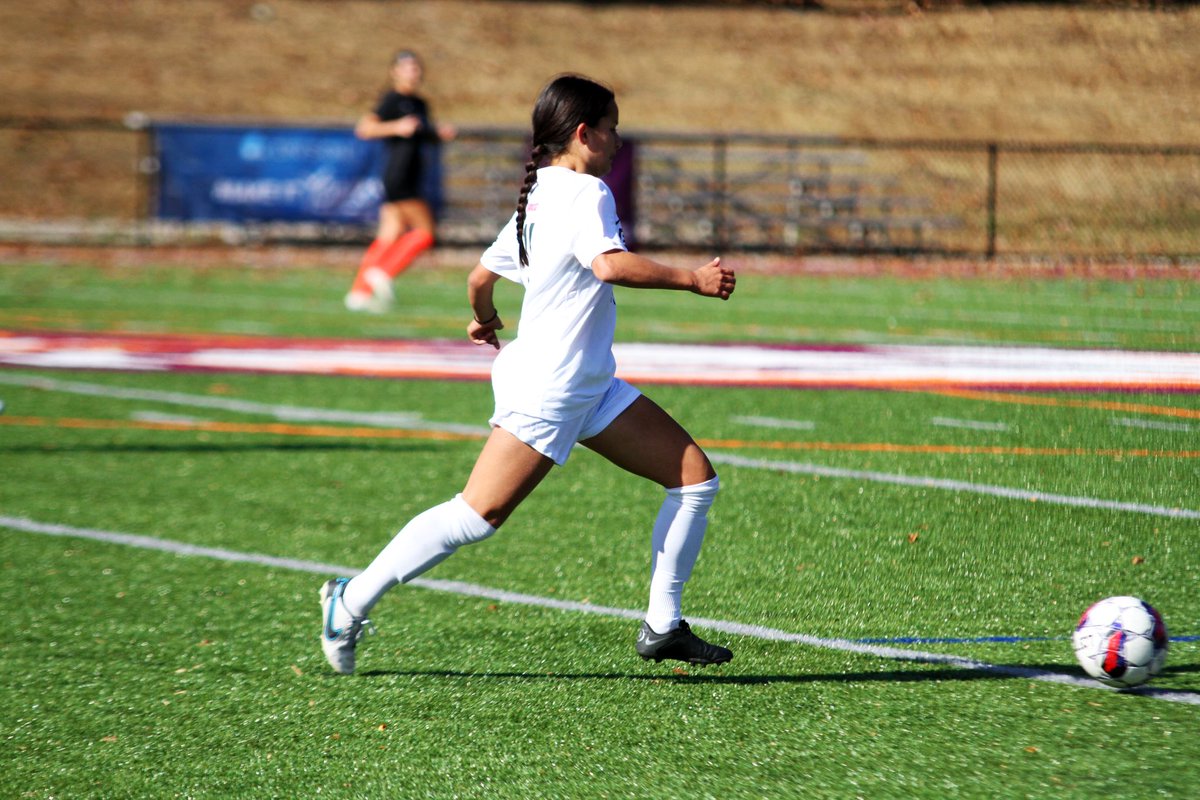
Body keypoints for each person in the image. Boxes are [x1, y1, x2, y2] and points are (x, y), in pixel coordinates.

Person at [320, 74, 737, 674]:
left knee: (694, 480)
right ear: (584, 133)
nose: (619, 141)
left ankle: (663, 626)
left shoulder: (539, 191)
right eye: (612, 129)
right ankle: (349, 600)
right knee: (477, 515)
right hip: (552, 384)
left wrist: (484, 319)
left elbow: (479, 278)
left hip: (585, 383)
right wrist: (693, 279)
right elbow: (609, 266)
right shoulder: (587, 194)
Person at [345, 49, 457, 312]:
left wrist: (438, 133)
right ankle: (383, 272)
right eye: (407, 68)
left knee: (389, 236)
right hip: (399, 175)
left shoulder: (420, 104)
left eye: (416, 68)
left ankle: (359, 293)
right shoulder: (392, 100)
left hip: (412, 174)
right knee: (425, 233)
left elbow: (421, 134)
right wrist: (396, 127)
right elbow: (365, 128)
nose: (412, 73)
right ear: (394, 71)